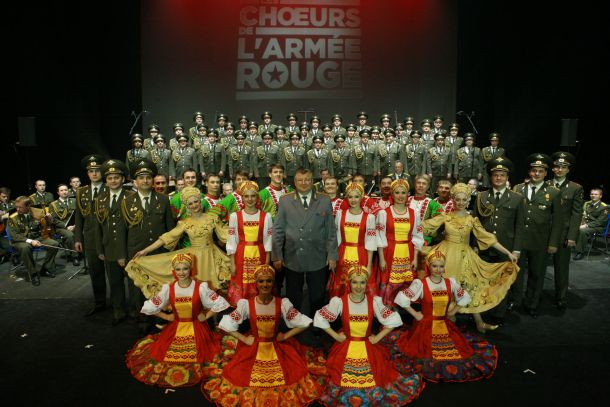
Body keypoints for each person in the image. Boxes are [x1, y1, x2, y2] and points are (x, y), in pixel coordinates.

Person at [202, 265, 325, 406]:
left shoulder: (282, 303)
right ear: (256, 283)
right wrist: (244, 339)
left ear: (273, 282)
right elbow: (226, 324)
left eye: (269, 281)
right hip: (254, 347)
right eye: (261, 281)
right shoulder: (247, 304)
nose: (265, 285)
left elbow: (304, 323)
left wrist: (285, 336)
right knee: (241, 375)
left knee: (290, 374)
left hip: (276, 346)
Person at [314, 265, 424, 406]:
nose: (358, 286)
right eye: (355, 282)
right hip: (345, 347)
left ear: (366, 283)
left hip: (368, 346)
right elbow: (320, 318)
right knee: (339, 377)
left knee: (376, 376)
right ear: (349, 283)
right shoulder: (340, 302)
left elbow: (394, 320)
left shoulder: (374, 301)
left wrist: (377, 337)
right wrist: (336, 336)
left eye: (362, 282)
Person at [422, 183, 519, 332]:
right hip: (446, 256)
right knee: (446, 288)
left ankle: (478, 322)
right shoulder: (445, 217)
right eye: (457, 199)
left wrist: (508, 253)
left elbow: (488, 238)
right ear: (453, 200)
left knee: (471, 287)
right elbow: (423, 226)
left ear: (468, 201)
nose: (460, 203)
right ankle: (444, 321)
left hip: (465, 257)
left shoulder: (472, 220)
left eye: (464, 200)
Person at [126, 253, 230, 388]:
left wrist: (206, 315)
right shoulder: (169, 289)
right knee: (166, 355)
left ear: (190, 269)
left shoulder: (200, 287)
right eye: (178, 269)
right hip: (176, 328)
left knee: (200, 355)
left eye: (185, 268)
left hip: (197, 329)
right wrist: (166, 317)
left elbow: (220, 303)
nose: (181, 272)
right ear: (173, 271)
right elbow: (150, 306)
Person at [392, 250, 497, 382]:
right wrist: (415, 313)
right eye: (434, 266)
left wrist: (453, 312)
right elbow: (401, 298)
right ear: (429, 266)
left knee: (456, 352)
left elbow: (465, 297)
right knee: (426, 353)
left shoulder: (450, 283)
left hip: (444, 324)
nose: (438, 269)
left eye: (441, 266)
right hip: (425, 327)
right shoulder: (421, 284)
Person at [127, 186, 231, 296]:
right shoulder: (184, 223)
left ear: (200, 201)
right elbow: (166, 238)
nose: (194, 205)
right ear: (187, 206)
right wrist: (145, 251)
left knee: (214, 289)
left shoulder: (212, 218)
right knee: (197, 291)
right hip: (195, 259)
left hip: (213, 256)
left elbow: (225, 234)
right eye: (190, 204)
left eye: (196, 202)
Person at [272, 168, 338, 317]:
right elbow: (278, 230)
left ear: (312, 181)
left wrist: (332, 255)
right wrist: (277, 256)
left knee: (317, 297)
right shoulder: (285, 200)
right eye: (300, 180)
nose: (303, 183)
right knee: (293, 297)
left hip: (318, 257)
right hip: (292, 257)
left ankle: (317, 323)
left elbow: (331, 230)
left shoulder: (324, 200)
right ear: (294, 182)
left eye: (307, 179)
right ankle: (294, 323)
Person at [122, 159, 176, 331]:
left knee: (160, 287)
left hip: (159, 252)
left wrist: (170, 252)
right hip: (136, 252)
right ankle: (143, 319)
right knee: (139, 287)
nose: (145, 180)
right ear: (135, 181)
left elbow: (170, 229)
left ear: (152, 180)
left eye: (148, 177)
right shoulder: (126, 202)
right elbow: (123, 231)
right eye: (141, 177)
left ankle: (162, 319)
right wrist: (122, 255)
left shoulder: (163, 200)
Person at [474, 157, 525, 325]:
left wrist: (516, 249)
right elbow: (475, 223)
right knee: (483, 281)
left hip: (506, 248)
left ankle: (499, 313)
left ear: (507, 177)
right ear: (491, 176)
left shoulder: (517, 198)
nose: (498, 178)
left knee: (502, 282)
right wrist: (475, 245)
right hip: (484, 248)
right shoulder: (481, 196)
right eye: (495, 175)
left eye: (502, 175)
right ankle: (482, 311)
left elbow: (519, 226)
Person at [512, 154, 563, 318]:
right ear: (529, 172)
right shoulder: (518, 188)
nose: (536, 174)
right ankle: (515, 301)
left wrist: (553, 242)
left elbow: (558, 221)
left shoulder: (553, 192)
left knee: (537, 274)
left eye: (540, 171)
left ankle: (531, 304)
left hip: (540, 241)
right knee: (516, 273)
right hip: (519, 241)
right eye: (534, 171)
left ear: (545, 173)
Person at [94, 159, 133, 326]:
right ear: (106, 180)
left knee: (133, 282)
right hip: (109, 247)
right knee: (115, 283)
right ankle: (119, 311)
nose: (113, 181)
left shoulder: (131, 197)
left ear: (122, 179)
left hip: (129, 247)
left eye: (116, 177)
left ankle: (136, 310)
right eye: (110, 178)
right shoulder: (100, 199)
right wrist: (99, 249)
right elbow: (98, 227)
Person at [376, 180, 425, 305]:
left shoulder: (414, 214)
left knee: (406, 281)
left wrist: (415, 258)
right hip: (389, 252)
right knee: (389, 281)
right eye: (397, 192)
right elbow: (380, 237)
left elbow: (417, 237)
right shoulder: (383, 213)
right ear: (392, 194)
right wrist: (381, 259)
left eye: (403, 193)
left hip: (407, 252)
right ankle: (388, 306)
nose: (400, 196)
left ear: (408, 194)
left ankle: (403, 306)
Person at [227, 181, 273, 306]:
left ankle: (257, 309)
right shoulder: (235, 216)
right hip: (241, 256)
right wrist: (233, 264)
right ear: (242, 198)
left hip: (260, 254)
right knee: (242, 282)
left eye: (253, 196)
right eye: (246, 196)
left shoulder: (266, 216)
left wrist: (267, 263)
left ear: (257, 197)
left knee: (260, 281)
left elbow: (268, 240)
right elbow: (232, 241)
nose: (250, 199)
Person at [548, 151, 583, 310]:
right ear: (552, 168)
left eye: (563, 167)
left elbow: (576, 214)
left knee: (561, 268)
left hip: (563, 234)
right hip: (544, 232)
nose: (559, 169)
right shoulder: (545, 185)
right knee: (538, 267)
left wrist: (572, 236)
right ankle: (534, 296)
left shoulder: (575, 188)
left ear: (568, 169)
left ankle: (561, 297)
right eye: (557, 166)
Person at [329, 182, 377, 298]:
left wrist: (369, 265)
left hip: (361, 256)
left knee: (358, 285)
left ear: (361, 197)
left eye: (356, 196)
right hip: (342, 255)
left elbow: (370, 242)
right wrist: (333, 258)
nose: (353, 200)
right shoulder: (340, 214)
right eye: (350, 197)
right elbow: (336, 238)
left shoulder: (369, 217)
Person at [74, 154, 108, 316]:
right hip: (90, 237)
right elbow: (79, 217)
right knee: (95, 273)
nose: (94, 173)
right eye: (91, 171)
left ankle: (119, 305)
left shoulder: (110, 188)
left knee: (114, 274)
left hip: (109, 238)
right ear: (87, 173)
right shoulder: (81, 192)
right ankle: (100, 303)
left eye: (97, 170)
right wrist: (78, 238)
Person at [7, 196, 59, 286]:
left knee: (54, 244)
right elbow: (13, 236)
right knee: (25, 248)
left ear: (28, 206)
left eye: (20, 207)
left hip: (37, 237)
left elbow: (46, 225)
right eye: (17, 207)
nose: (17, 209)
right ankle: (33, 274)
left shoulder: (37, 212)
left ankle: (45, 268)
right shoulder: (13, 217)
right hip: (20, 240)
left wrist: (49, 219)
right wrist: (30, 241)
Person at [48, 184, 79, 266]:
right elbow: (53, 220)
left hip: (75, 224)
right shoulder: (53, 204)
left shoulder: (74, 201)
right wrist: (66, 226)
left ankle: (85, 252)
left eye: (66, 190)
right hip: (61, 227)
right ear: (58, 193)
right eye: (61, 190)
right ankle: (75, 256)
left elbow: (79, 215)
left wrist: (75, 225)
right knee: (70, 235)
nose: (64, 192)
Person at [575, 188, 608, 258]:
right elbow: (583, 215)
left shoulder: (604, 207)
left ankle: (579, 252)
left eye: (596, 194)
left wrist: (586, 225)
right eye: (592, 194)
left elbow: (600, 222)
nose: (593, 196)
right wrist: (581, 222)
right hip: (585, 224)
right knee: (570, 225)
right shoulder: (587, 203)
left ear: (600, 196)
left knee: (583, 231)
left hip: (598, 227)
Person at [0, 187, 16, 263]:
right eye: (3, 197)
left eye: (7, 196)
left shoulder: (14, 203)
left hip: (14, 226)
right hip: (2, 228)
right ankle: (4, 254)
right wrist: (2, 217)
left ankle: (15, 254)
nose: (6, 198)